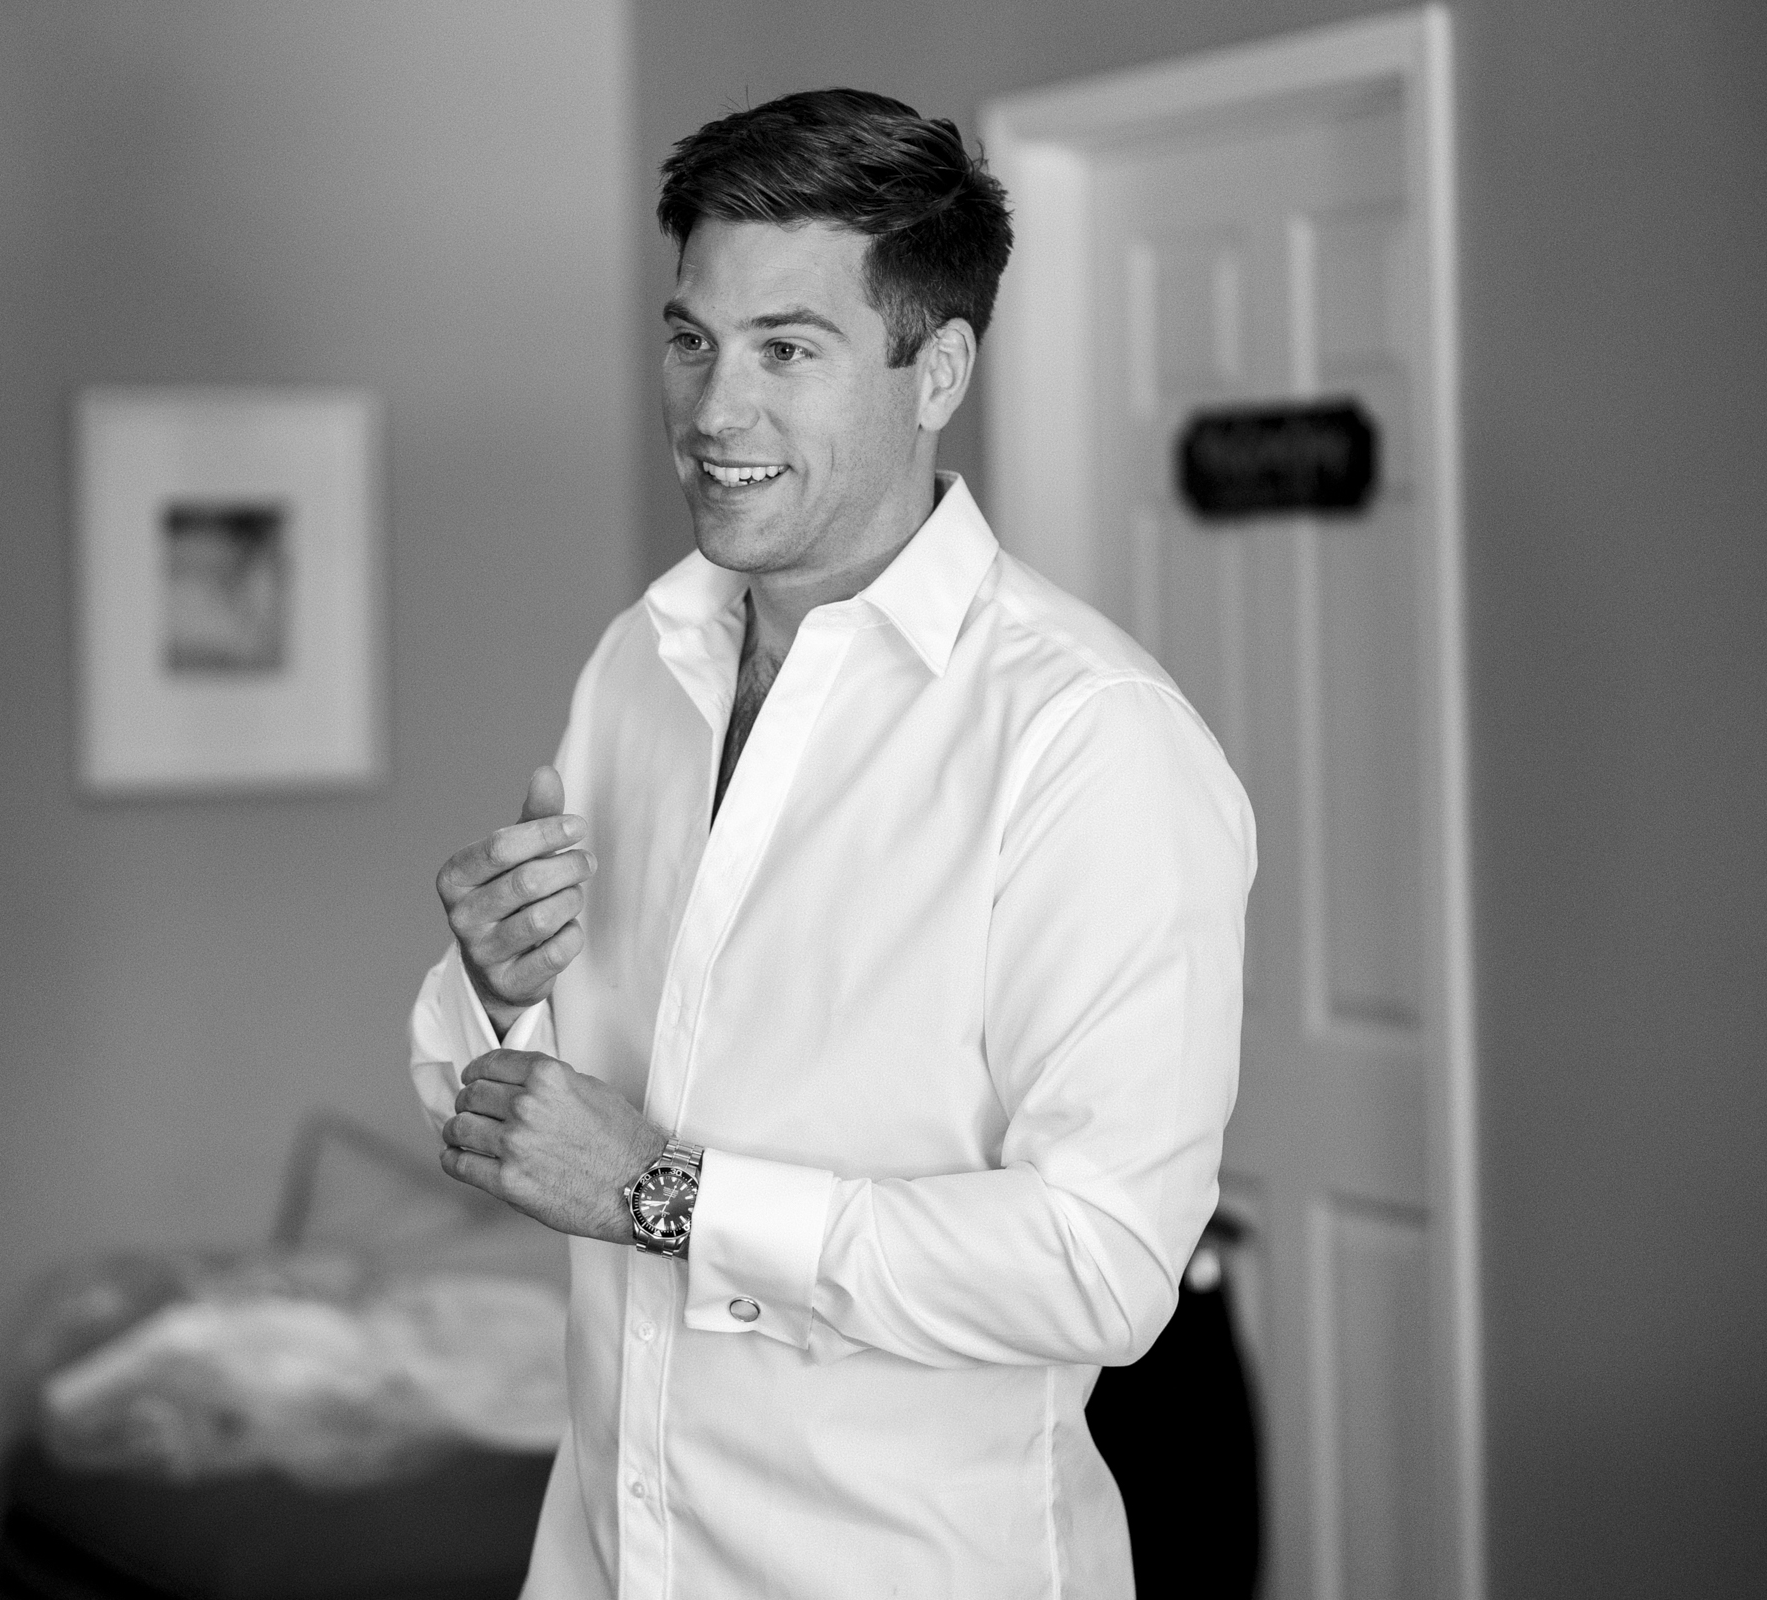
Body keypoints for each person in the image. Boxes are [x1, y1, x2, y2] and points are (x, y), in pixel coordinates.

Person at [408, 88, 1255, 1599]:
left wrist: (668, 1197)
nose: (713, 411)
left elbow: (1105, 1263)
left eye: (787, 350)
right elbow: (514, 1105)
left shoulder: (1089, 741)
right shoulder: (640, 666)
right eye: (692, 340)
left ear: (937, 371)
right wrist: (493, 982)